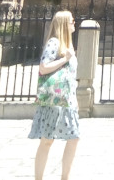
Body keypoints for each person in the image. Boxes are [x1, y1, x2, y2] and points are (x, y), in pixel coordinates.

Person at [29, 10, 79, 180]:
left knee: (74, 138)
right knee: (47, 140)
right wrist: (65, 59)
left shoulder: (69, 44)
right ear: (65, 23)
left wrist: (75, 98)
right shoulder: (54, 43)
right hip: (54, 101)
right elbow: (43, 67)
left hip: (69, 100)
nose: (75, 23)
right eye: (72, 20)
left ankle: (65, 177)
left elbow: (70, 75)